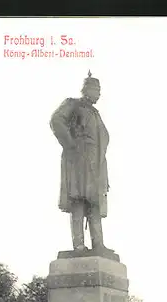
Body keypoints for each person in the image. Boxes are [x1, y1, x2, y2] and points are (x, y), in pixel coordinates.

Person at [50, 71, 110, 251]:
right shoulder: (73, 104)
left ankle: (98, 244)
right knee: (78, 201)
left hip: (96, 164)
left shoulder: (96, 114)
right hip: (79, 160)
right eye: (96, 90)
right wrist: (70, 144)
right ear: (87, 89)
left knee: (95, 204)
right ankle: (79, 245)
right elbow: (56, 120)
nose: (99, 94)